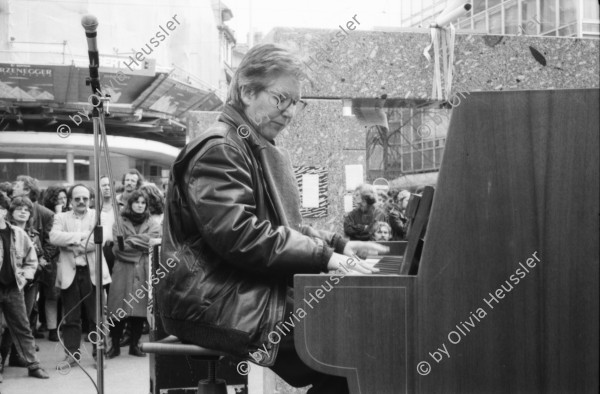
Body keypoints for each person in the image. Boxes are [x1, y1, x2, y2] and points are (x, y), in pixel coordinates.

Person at [156, 43, 387, 394]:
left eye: (297, 102)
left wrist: (341, 244)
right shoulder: (221, 149)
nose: (291, 111)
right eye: (283, 99)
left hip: (236, 291)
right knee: (355, 345)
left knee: (357, 339)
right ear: (247, 91)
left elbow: (284, 228)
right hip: (211, 303)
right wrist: (327, 259)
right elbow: (242, 236)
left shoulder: (246, 144)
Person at [49, 184, 111, 369]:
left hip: (93, 274)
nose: (81, 202)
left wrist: (69, 241)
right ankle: (71, 355)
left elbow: (100, 241)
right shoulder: (60, 217)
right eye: (77, 199)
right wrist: (83, 236)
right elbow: (54, 237)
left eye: (85, 198)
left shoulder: (100, 216)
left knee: (97, 317)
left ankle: (99, 354)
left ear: (90, 199)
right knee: (71, 318)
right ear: (70, 201)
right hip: (70, 274)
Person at [0, 194, 49, 381]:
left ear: (3, 211)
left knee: (23, 328)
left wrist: (25, 277)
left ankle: (33, 365)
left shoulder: (18, 234)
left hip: (14, 288)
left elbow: (32, 260)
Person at [106, 190, 160, 359]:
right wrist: (141, 245)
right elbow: (118, 249)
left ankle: (134, 345)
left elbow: (155, 241)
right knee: (117, 310)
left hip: (144, 269)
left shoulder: (153, 222)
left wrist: (130, 241)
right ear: (130, 204)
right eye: (137, 202)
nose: (140, 205)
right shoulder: (119, 222)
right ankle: (114, 346)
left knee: (140, 309)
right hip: (123, 269)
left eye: (143, 203)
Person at [41, 186, 69, 341]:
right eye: (59, 198)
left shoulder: (71, 214)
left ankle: (65, 325)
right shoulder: (49, 215)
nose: (63, 201)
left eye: (65, 198)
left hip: (68, 257)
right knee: (52, 295)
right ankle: (52, 328)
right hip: (53, 258)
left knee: (67, 295)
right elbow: (49, 237)